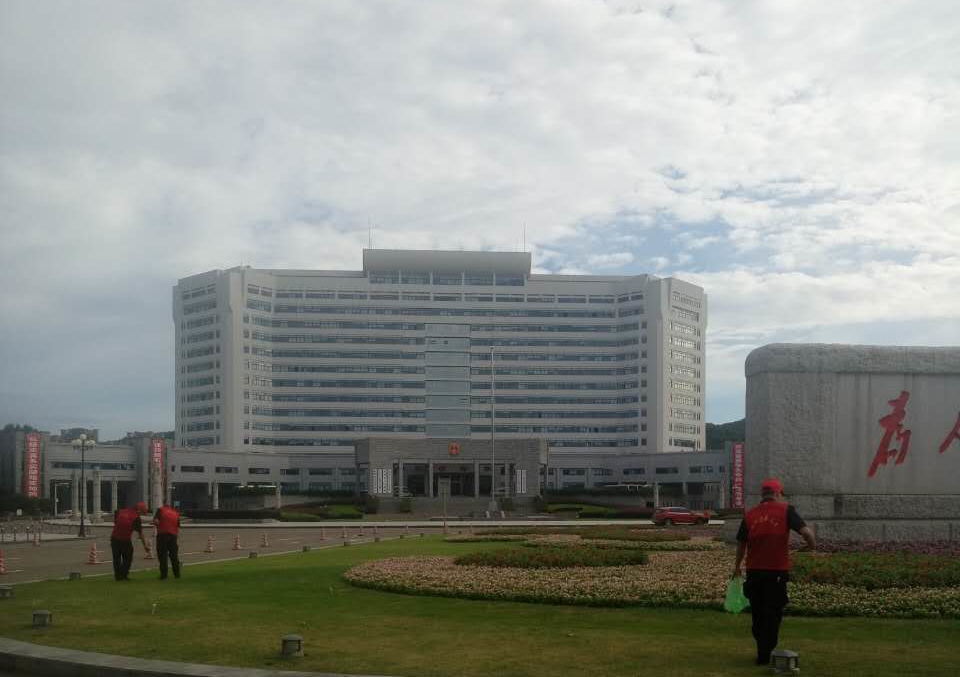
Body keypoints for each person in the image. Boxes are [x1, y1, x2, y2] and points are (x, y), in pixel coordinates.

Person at [732, 478, 816, 665]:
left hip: (754, 572)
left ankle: (762, 650)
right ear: (778, 493)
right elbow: (807, 533)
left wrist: (737, 567)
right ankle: (765, 651)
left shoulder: (750, 515)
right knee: (773, 614)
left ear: (762, 494)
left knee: (758, 614)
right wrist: (811, 546)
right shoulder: (786, 510)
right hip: (776, 573)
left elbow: (741, 544)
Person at [110, 501, 150, 581]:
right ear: (139, 510)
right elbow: (141, 534)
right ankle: (124, 575)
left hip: (114, 538)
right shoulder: (136, 518)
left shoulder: (120, 511)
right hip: (125, 540)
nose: (141, 514)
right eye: (142, 512)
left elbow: (116, 521)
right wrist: (145, 546)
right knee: (128, 558)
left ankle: (118, 577)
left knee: (116, 559)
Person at [153, 503, 182, 579]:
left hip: (162, 535)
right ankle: (177, 574)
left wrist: (157, 525)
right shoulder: (175, 512)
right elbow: (178, 525)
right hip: (173, 536)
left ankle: (164, 575)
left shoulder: (160, 510)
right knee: (174, 556)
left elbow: (156, 521)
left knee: (162, 556)